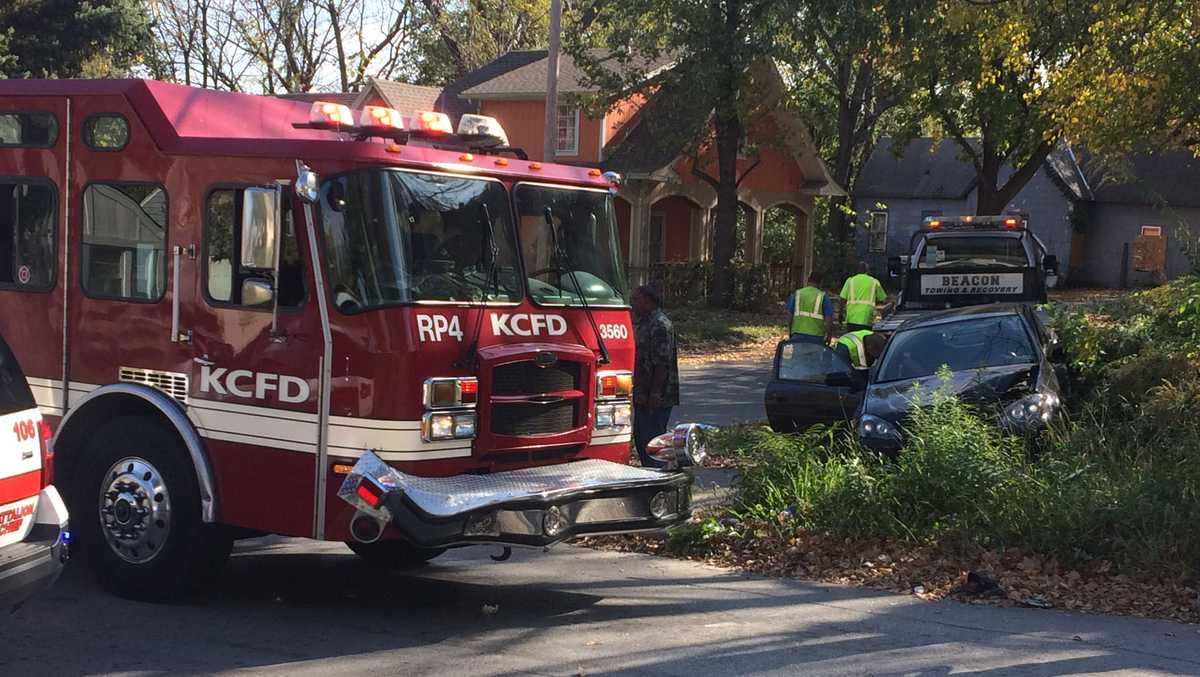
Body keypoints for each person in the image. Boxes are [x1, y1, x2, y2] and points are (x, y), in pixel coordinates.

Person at [631, 284, 679, 468]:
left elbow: (661, 363)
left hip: (657, 396)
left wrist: (655, 393)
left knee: (653, 441)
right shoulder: (645, 322)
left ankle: (657, 478)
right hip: (643, 394)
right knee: (641, 438)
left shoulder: (659, 324)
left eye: (636, 300)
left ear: (648, 301)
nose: (633, 304)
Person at [785, 271, 834, 344]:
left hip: (797, 334)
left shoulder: (797, 294)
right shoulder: (823, 297)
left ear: (808, 280)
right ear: (821, 283)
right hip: (816, 337)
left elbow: (789, 315)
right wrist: (829, 336)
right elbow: (829, 320)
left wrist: (789, 330)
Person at [839, 262, 887, 331]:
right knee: (864, 339)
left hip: (852, 318)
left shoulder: (850, 281)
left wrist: (840, 314)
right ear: (867, 271)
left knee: (852, 339)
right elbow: (883, 299)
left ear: (857, 270)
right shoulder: (874, 282)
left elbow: (842, 299)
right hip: (867, 317)